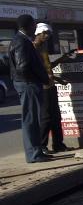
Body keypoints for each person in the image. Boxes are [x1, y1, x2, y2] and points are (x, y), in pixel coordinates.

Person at [8, 15, 52, 163]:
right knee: (31, 119)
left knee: (33, 119)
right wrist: (38, 78)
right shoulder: (21, 42)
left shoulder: (22, 40)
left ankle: (37, 151)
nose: (35, 27)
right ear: (28, 26)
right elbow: (23, 66)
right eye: (34, 24)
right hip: (28, 84)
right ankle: (34, 154)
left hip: (28, 83)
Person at [34, 23, 69, 154]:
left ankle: (58, 144)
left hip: (51, 85)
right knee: (46, 117)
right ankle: (42, 146)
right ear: (38, 33)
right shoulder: (33, 48)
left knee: (56, 117)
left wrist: (62, 59)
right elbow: (39, 71)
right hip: (43, 87)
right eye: (45, 33)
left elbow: (48, 67)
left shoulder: (43, 48)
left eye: (48, 34)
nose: (47, 36)